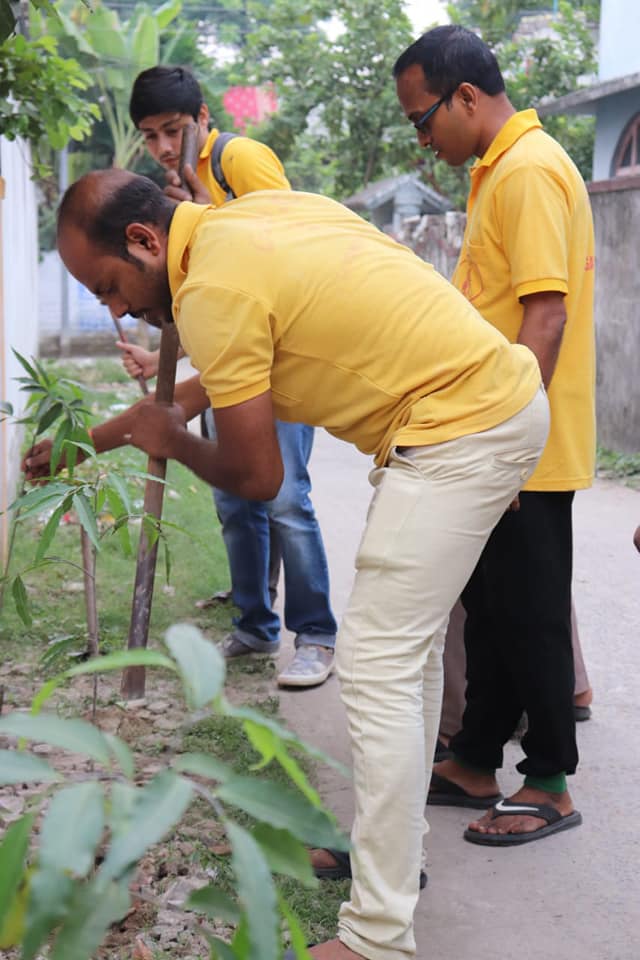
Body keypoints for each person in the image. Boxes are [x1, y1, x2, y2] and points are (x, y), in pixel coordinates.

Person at [27, 169, 548, 960]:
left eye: (109, 286)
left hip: (458, 426)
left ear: (143, 241)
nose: (119, 310)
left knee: (377, 664)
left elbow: (256, 475)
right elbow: (208, 385)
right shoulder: (248, 224)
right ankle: (389, 863)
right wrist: (94, 440)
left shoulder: (212, 290)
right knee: (406, 663)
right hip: (487, 405)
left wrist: (170, 441)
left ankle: (377, 936)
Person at [395, 25, 595, 845]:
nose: (421, 138)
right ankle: (475, 757)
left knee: (531, 616)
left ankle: (548, 781)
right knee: (490, 609)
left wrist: (508, 446)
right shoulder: (501, 170)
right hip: (501, 437)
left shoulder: (528, 170)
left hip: (525, 448)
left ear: (467, 97)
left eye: (422, 118)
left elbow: (545, 314)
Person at [125, 65, 338, 688]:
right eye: (150, 135)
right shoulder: (164, 191)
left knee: (285, 500)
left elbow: (285, 246)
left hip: (280, 360)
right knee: (235, 502)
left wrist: (200, 203)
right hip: (229, 367)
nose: (163, 146)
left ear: (203, 118)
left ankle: (316, 635)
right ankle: (254, 625)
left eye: (173, 130)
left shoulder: (238, 160)